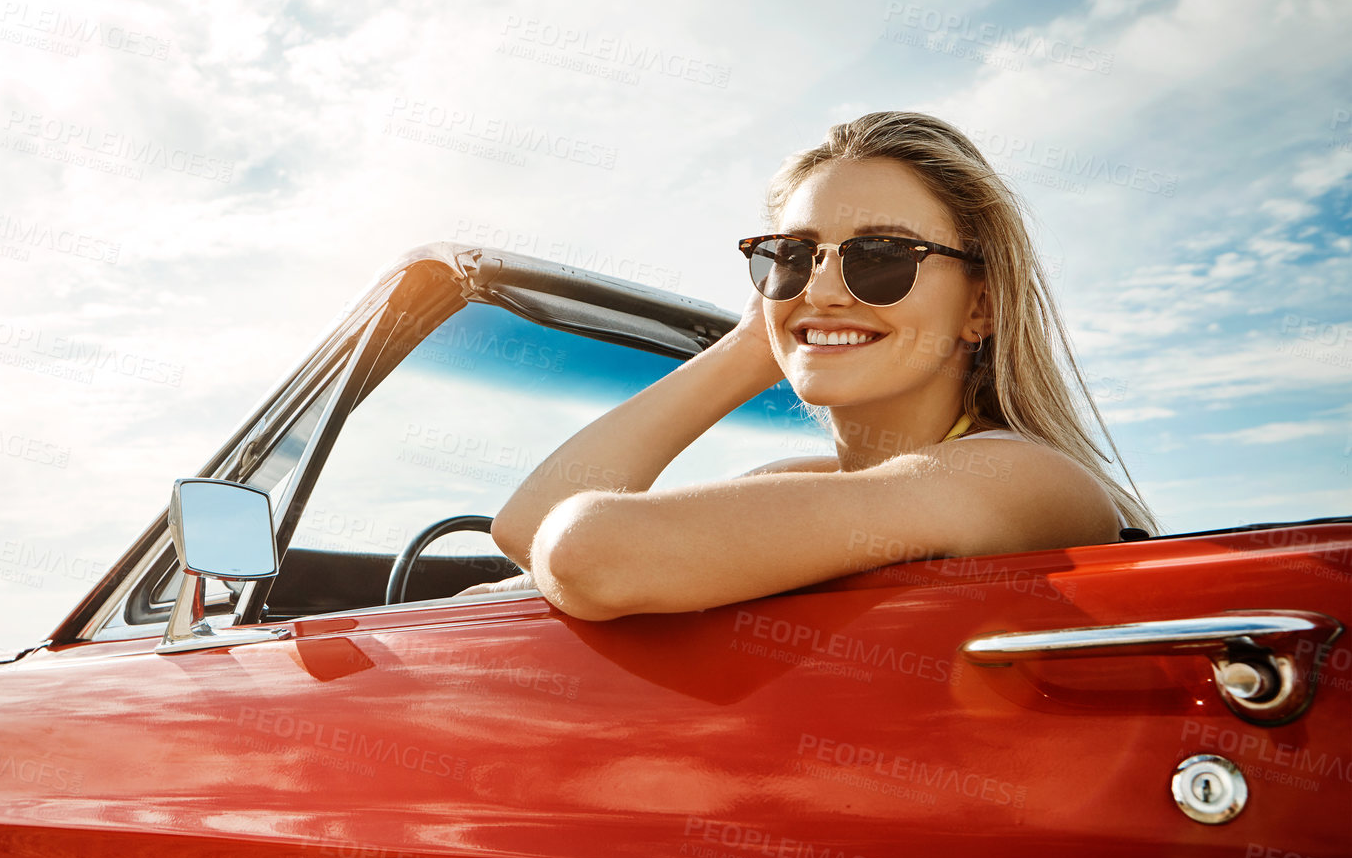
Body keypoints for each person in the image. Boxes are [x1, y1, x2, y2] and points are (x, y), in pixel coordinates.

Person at [463, 110, 1159, 620]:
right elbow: (528, 530)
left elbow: (587, 552)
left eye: (881, 254)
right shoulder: (809, 483)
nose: (822, 289)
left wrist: (792, 319)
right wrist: (757, 338)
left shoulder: (1019, 474)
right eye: (792, 256)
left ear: (981, 308)